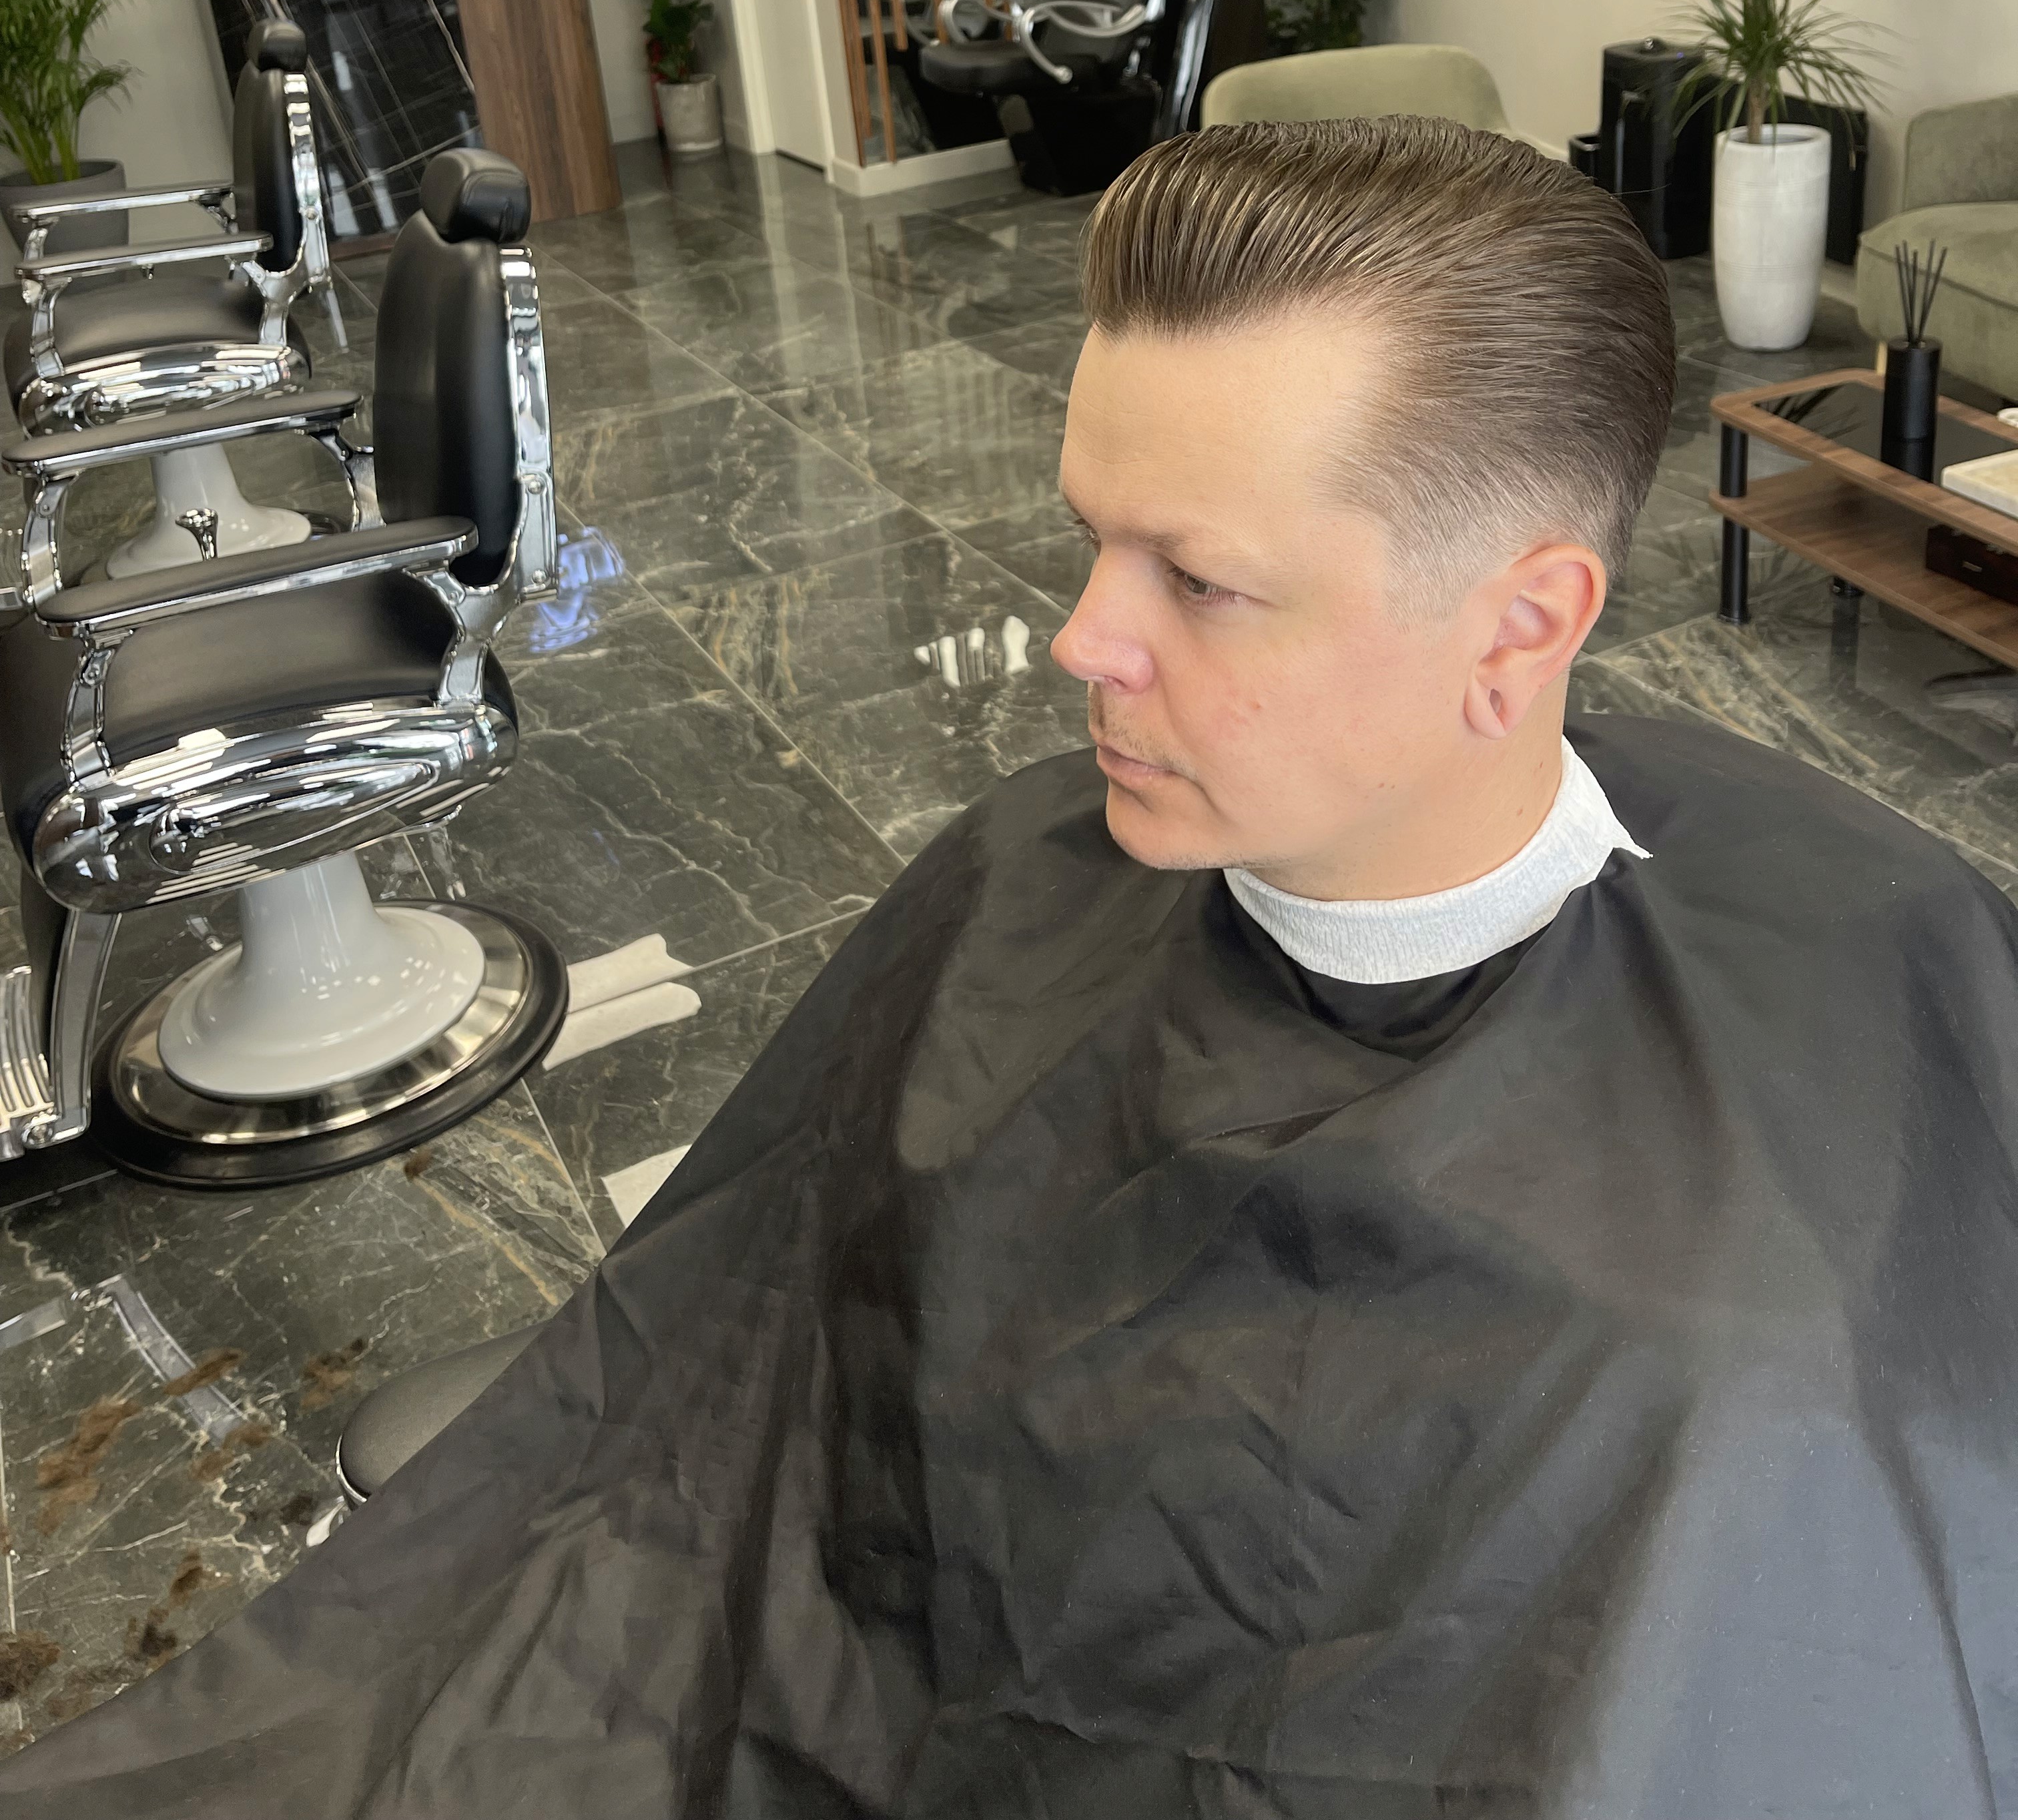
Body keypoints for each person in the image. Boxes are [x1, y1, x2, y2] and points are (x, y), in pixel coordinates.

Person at [13, 117, 2018, 1819]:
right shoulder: (1024, 877)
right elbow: (731, 1393)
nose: (1080, 641)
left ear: (1522, 628)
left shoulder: (1722, 1341)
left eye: (1199, 581)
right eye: (1093, 542)